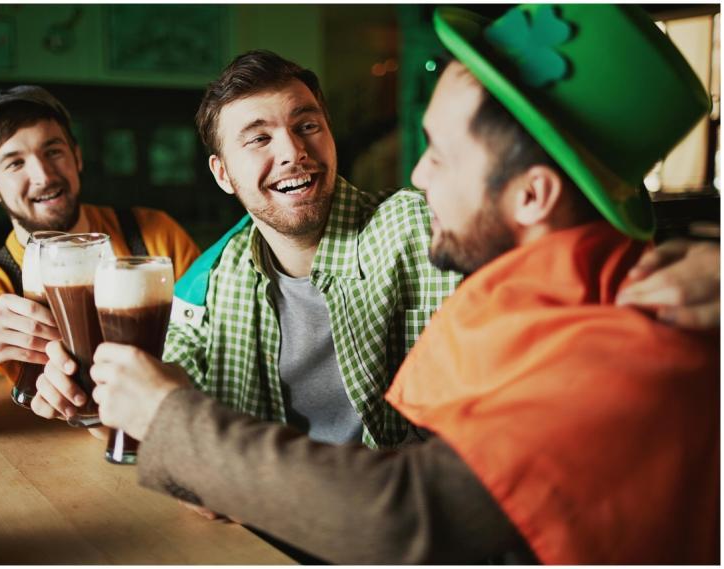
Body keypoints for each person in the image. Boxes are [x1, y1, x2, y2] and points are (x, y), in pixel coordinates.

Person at [75, 5, 718, 564]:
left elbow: (407, 514)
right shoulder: (533, 296)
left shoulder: (618, 346)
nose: (416, 174)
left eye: (438, 153)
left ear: (532, 195)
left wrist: (171, 421)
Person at [33, 50, 460, 449]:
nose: (294, 151)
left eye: (307, 126)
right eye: (258, 139)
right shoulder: (210, 283)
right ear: (222, 174)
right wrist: (93, 406)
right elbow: (159, 423)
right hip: (256, 523)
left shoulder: (424, 227)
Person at [0, 86, 200, 438]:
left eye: (54, 151)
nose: (44, 174)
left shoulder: (156, 236)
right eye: (15, 162)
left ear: (77, 157)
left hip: (161, 436)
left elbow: (213, 343)